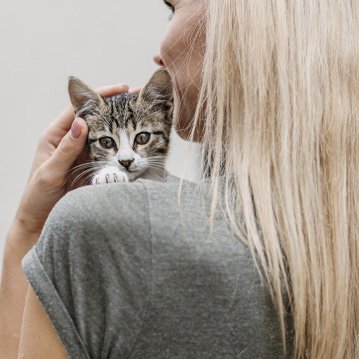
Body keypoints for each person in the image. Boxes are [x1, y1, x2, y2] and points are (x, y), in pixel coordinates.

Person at [1, 0, 358, 358]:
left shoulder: (99, 226)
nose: (158, 55)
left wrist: (28, 229)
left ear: (239, 25)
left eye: (172, 9)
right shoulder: (339, 246)